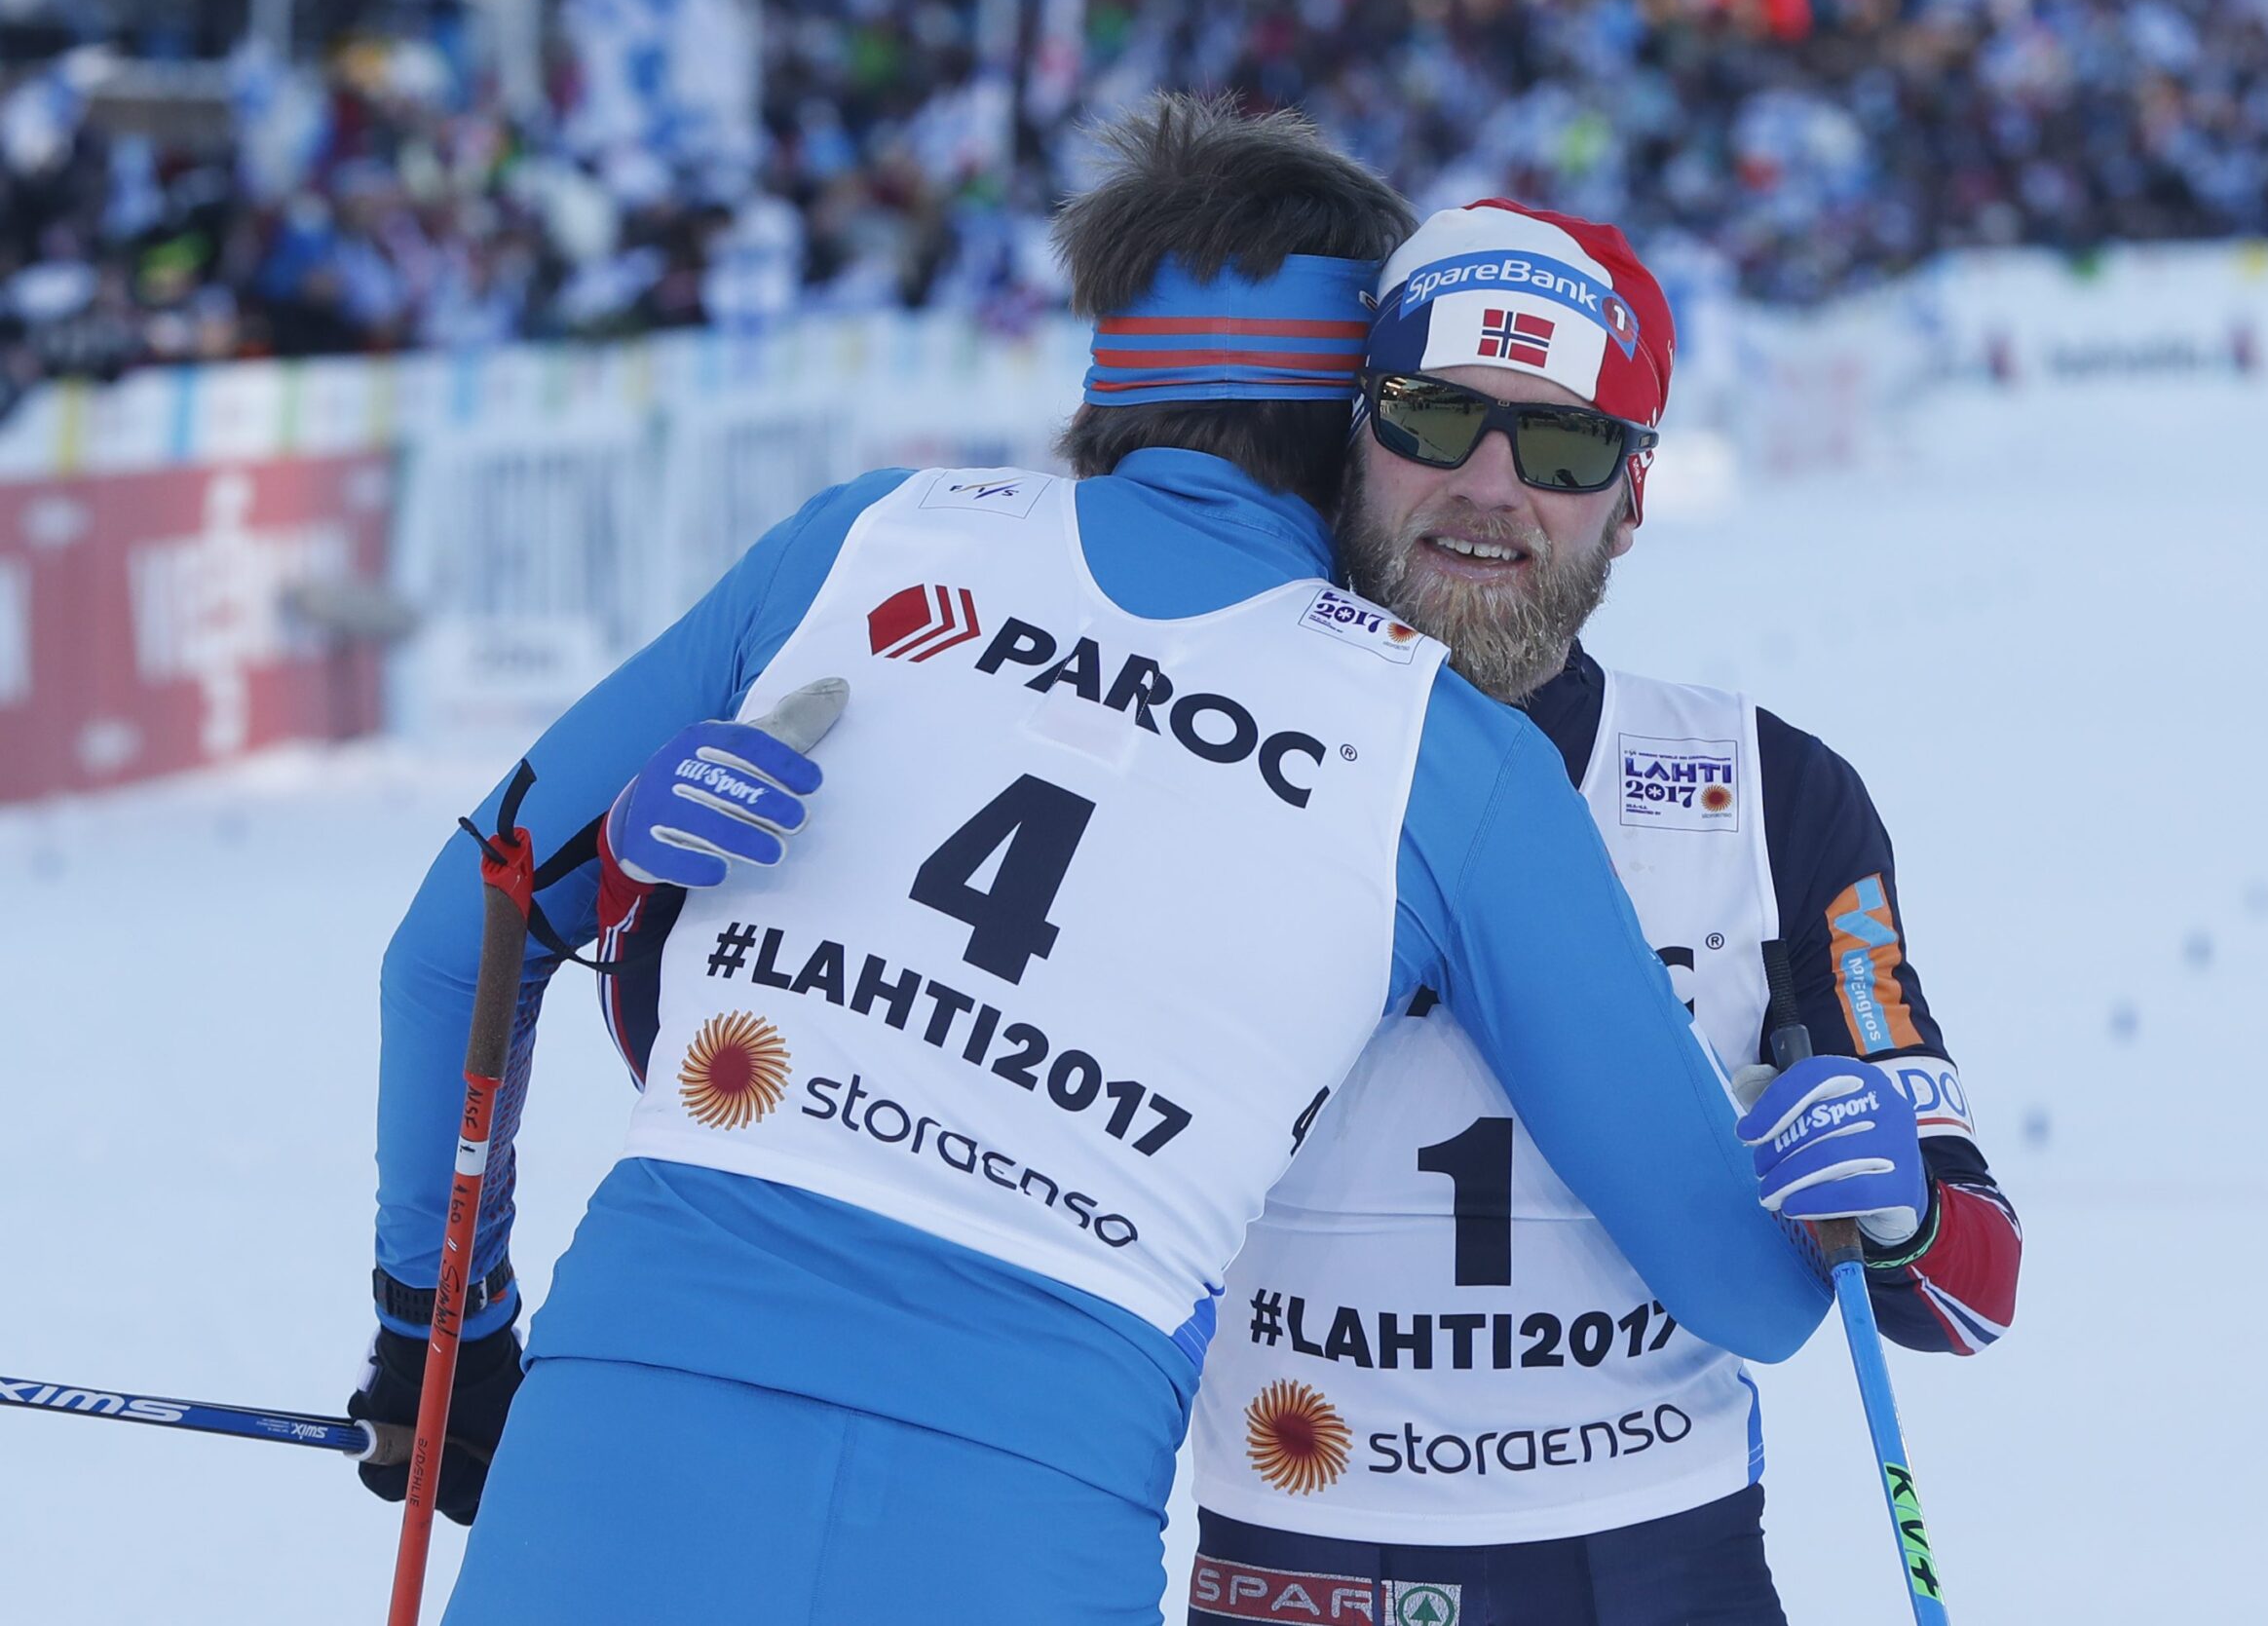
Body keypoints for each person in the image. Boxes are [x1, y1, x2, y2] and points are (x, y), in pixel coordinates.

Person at [350, 98, 1829, 1625]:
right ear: (1350, 417)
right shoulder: (1445, 750)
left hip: (626, 1426)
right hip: (1024, 1503)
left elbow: (461, 941)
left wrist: (438, 1336)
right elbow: (1751, 1293)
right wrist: (1833, 1144)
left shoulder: (864, 541)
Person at [1186, 201, 2024, 1626]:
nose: (1491, 486)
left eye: (1565, 448)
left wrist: (1901, 1209)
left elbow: (1970, 1293)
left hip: (1653, 1575)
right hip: (1300, 1569)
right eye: (1435, 419)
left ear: (1631, 500)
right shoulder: (1185, 758)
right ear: (1352, 444)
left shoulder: (1771, 794)